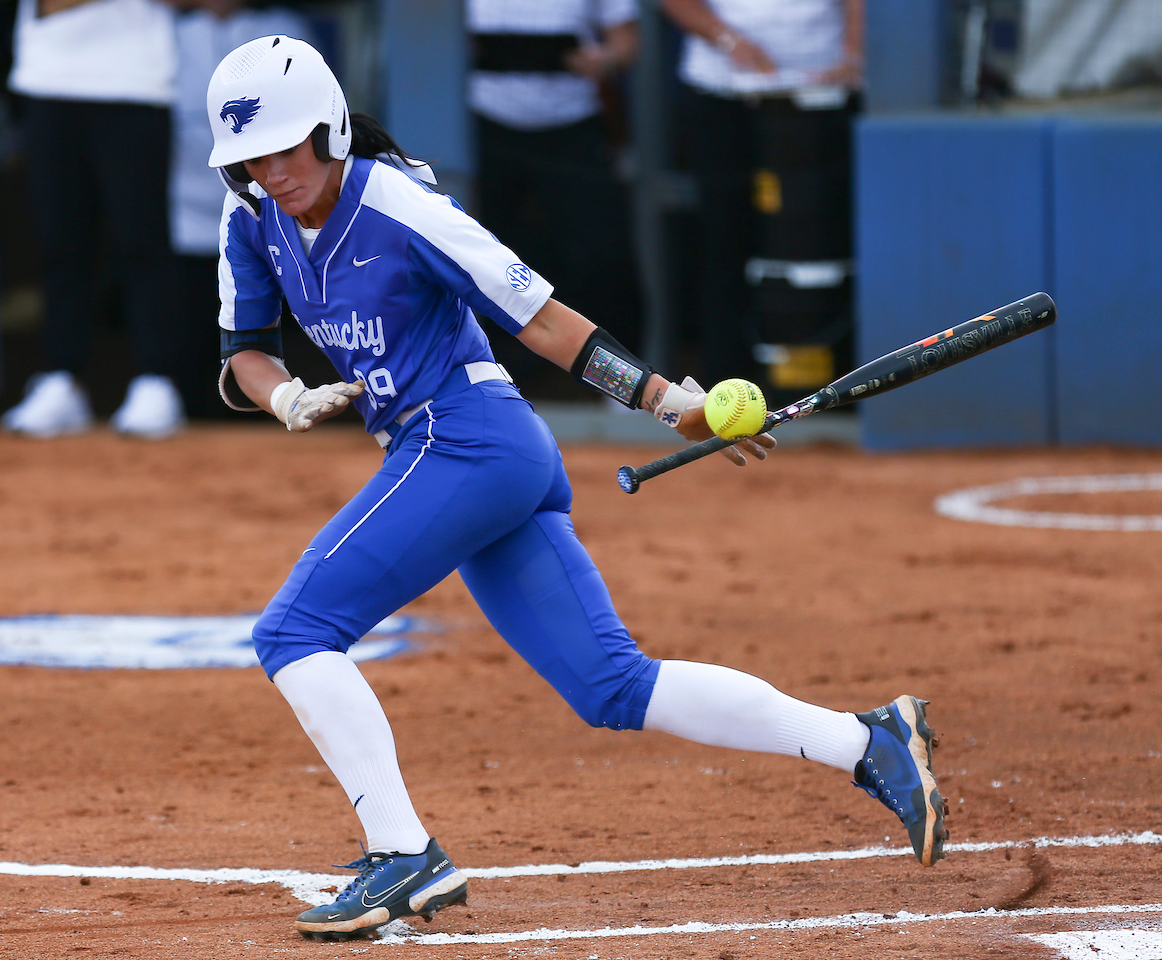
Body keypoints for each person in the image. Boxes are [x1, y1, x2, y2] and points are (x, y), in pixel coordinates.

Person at [207, 36, 946, 942]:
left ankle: (404, 857)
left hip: (470, 443)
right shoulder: (250, 219)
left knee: (293, 631)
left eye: (286, 148)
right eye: (251, 157)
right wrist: (280, 392)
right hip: (456, 458)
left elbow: (543, 320)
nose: (271, 172)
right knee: (612, 686)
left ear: (328, 129)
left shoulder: (399, 203)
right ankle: (868, 741)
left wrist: (669, 400)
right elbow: (243, 349)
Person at [0, 0, 187, 438]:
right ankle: (61, 377)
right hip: (47, 81)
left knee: (143, 242)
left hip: (139, 84)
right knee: (59, 243)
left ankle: (157, 380)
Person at [661, 0, 863, 399]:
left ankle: (828, 391)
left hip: (821, 100)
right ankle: (724, 389)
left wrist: (854, 56)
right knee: (725, 241)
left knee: (822, 243)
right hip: (722, 96)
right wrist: (729, 40)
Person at [466, 0, 642, 392]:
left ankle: (619, 386)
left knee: (602, 255)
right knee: (487, 259)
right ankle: (496, 381)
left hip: (573, 126)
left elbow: (626, 42)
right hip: (484, 128)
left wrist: (604, 59)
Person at [165, 0, 313, 419]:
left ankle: (275, 405)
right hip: (184, 193)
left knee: (275, 306)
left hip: (271, 199)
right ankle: (195, 411)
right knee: (193, 314)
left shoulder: (285, 24)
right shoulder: (169, 30)